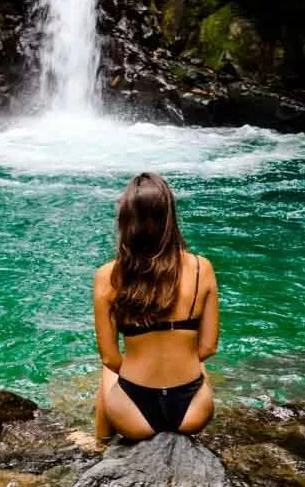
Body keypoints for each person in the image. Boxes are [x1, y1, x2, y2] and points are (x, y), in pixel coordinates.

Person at [93, 172, 219, 440]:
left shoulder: (108, 276)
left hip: (132, 415)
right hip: (193, 412)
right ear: (170, 218)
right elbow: (208, 347)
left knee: (105, 370)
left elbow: (110, 358)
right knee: (196, 364)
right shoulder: (201, 268)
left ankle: (100, 443)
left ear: (126, 220)